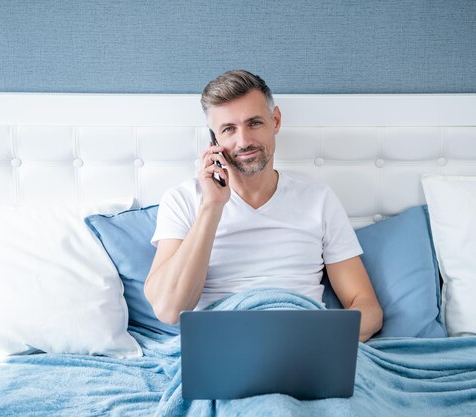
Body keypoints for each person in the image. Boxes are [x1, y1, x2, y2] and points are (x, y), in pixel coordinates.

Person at [144, 70, 383, 342]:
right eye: (228, 129)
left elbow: (367, 306)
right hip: (225, 344)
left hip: (305, 342)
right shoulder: (183, 201)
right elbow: (169, 310)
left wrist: (327, 341)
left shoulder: (318, 199)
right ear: (214, 140)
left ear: (276, 120)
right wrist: (212, 207)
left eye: (254, 123)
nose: (243, 141)